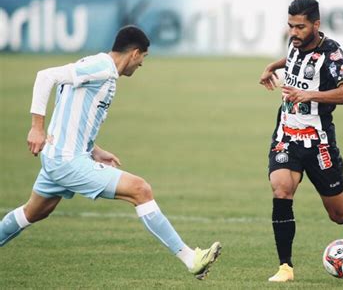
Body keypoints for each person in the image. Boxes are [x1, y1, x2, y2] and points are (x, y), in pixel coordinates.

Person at [0, 25, 221, 280]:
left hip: (63, 155)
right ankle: (190, 259)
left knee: (34, 212)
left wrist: (94, 150)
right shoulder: (101, 67)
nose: (141, 66)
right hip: (67, 160)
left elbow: (72, 110)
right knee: (141, 189)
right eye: (143, 59)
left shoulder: (101, 70)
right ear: (135, 53)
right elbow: (45, 76)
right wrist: (36, 128)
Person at [259, 0, 343, 283]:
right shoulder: (295, 44)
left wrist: (309, 95)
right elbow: (293, 59)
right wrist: (272, 66)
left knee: (338, 213)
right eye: (290, 26)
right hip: (287, 136)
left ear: (316, 25)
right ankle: (285, 267)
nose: (293, 32)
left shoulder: (332, 55)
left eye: (300, 27)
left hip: (319, 144)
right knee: (281, 189)